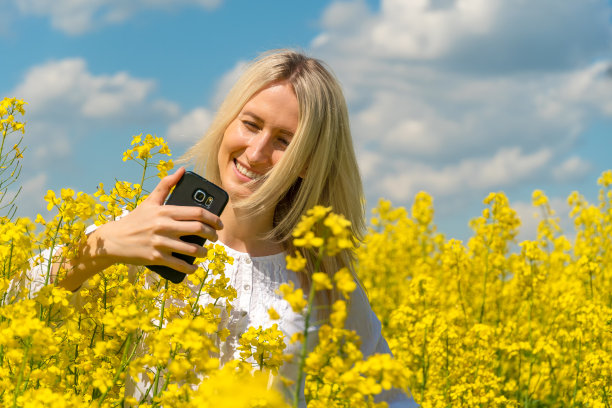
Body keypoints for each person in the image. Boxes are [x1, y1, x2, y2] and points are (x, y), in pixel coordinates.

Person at [26, 50, 418, 407]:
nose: (256, 152)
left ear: (308, 163)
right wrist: (106, 244)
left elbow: (392, 398)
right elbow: (19, 306)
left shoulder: (324, 281)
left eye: (284, 141)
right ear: (227, 122)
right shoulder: (139, 234)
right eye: (251, 124)